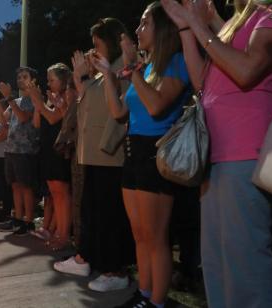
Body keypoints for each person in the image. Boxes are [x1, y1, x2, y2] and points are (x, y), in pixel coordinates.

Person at [161, 0, 272, 306]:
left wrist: (198, 25)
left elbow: (246, 70)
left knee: (245, 265)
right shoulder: (238, 23)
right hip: (216, 155)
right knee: (218, 265)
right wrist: (185, 27)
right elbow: (202, 85)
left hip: (245, 151)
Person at [91, 4, 191, 306]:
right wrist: (109, 74)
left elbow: (157, 106)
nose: (137, 31)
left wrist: (132, 70)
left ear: (162, 29)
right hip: (133, 151)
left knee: (155, 235)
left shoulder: (176, 62)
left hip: (156, 152)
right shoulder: (146, 69)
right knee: (139, 234)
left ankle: (157, 301)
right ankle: (144, 294)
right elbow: (119, 112)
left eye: (144, 23)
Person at [54, 18, 135, 293]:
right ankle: (85, 257)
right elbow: (86, 101)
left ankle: (115, 269)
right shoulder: (104, 71)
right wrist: (81, 77)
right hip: (91, 152)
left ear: (111, 42)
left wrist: (108, 145)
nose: (93, 51)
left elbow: (121, 111)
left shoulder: (124, 66)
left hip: (108, 153)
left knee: (109, 215)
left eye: (97, 44)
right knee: (90, 212)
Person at [0, 67, 40, 236]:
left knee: (26, 187)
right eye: (19, 77)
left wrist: (9, 97)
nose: (20, 79)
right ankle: (18, 218)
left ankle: (28, 221)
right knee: (15, 186)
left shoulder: (34, 98)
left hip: (26, 149)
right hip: (12, 149)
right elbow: (2, 120)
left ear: (33, 80)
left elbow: (23, 117)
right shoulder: (18, 99)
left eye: (24, 77)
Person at [26, 63, 73, 250]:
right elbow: (38, 123)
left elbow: (54, 118)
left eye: (52, 80)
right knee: (54, 193)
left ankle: (64, 234)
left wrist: (37, 99)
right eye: (48, 80)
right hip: (47, 148)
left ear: (63, 80)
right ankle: (57, 232)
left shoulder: (69, 95)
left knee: (62, 193)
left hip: (59, 149)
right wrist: (39, 103)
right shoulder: (51, 98)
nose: (49, 83)